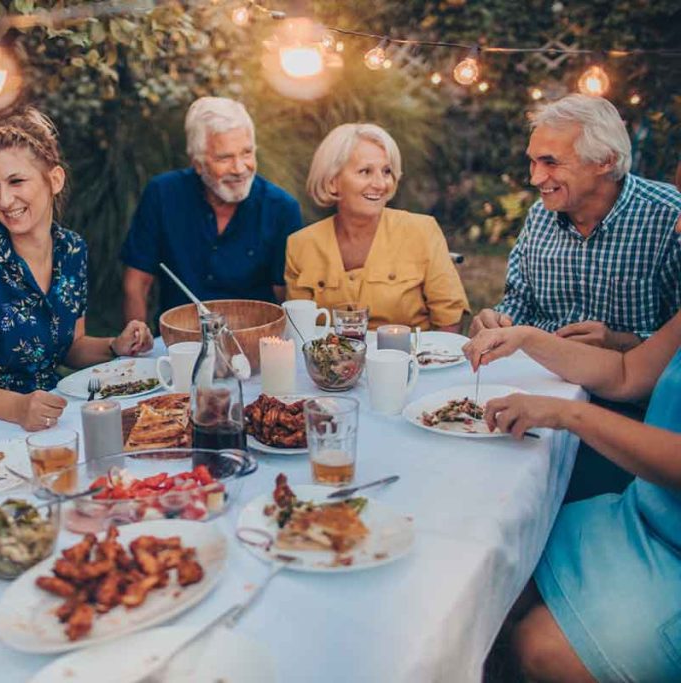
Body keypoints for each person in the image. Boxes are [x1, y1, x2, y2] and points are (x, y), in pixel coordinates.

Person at [463, 312, 681, 682]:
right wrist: (529, 339)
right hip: (643, 515)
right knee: (488, 574)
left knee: (538, 648)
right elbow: (626, 373)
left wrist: (569, 414)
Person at [0, 108, 153, 442]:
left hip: (49, 423)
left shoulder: (72, 250)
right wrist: (18, 408)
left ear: (55, 179)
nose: (4, 200)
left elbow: (70, 346)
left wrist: (114, 345)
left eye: (16, 181)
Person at [470, 95, 681, 350]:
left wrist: (622, 342)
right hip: (542, 373)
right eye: (533, 162)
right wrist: (499, 320)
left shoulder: (669, 216)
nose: (535, 178)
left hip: (629, 384)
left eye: (551, 162)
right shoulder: (540, 215)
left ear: (606, 160)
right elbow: (520, 300)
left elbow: (676, 339)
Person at [120, 97, 303, 324]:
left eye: (246, 153)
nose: (239, 168)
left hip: (251, 340)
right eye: (224, 157)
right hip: (180, 340)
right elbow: (136, 282)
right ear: (197, 163)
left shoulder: (282, 209)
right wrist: (137, 340)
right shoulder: (162, 194)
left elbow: (284, 297)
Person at [285, 123, 469, 331]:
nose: (381, 184)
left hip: (410, 360)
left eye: (387, 171)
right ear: (332, 182)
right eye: (365, 171)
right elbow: (299, 331)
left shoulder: (422, 230)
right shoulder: (300, 245)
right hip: (332, 362)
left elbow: (450, 322)